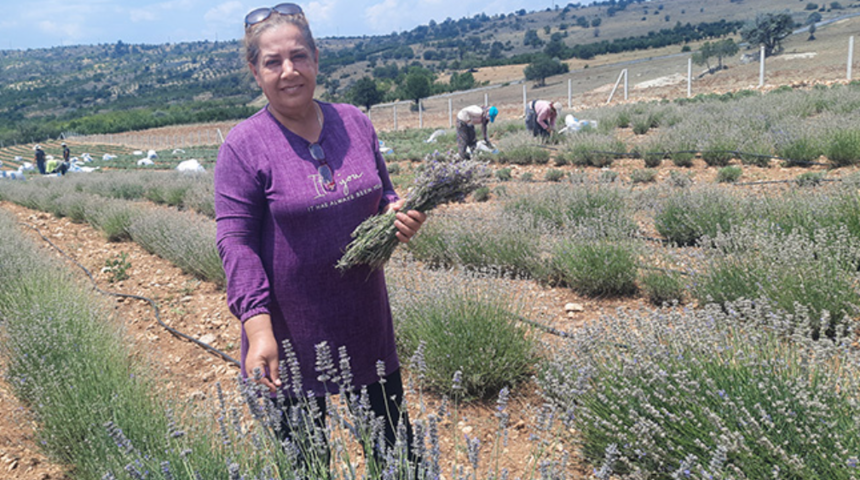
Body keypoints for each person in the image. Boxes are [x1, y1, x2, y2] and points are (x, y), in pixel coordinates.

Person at [214, 2, 426, 472]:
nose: (289, 71)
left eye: (298, 56)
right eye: (273, 62)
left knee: (397, 457)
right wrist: (258, 330)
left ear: (316, 58)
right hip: (289, 337)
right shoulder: (243, 147)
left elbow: (384, 193)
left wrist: (396, 216)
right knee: (307, 465)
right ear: (254, 71)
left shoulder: (354, 122)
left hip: (365, 324)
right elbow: (235, 242)